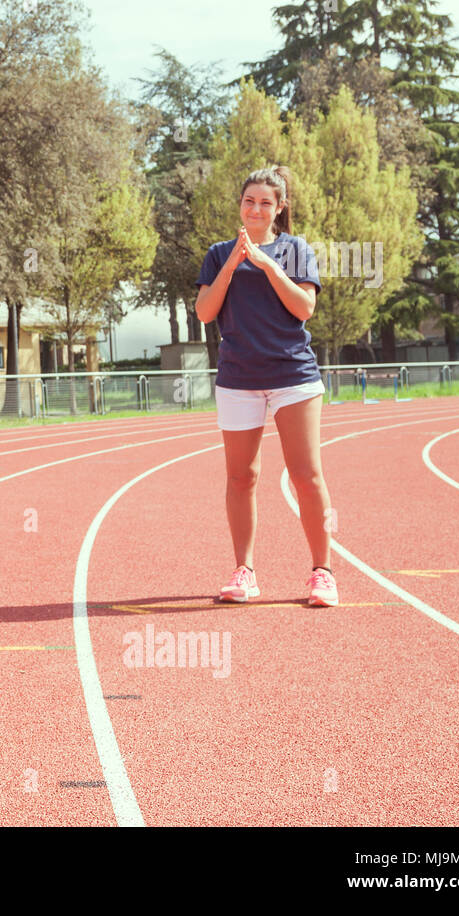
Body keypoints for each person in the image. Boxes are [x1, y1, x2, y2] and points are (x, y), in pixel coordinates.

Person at [195, 165, 338, 607]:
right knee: (241, 477)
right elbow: (204, 312)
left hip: (292, 375)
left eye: (265, 202)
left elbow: (304, 308)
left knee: (305, 475)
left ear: (279, 209)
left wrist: (266, 264)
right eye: (248, 201)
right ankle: (245, 571)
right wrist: (235, 264)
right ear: (241, 205)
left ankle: (322, 572)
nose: (255, 208)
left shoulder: (295, 250)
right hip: (239, 378)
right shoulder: (220, 253)